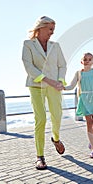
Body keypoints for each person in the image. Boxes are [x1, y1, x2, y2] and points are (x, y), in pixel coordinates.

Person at [22, 16, 67, 170]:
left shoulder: (56, 46)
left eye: (53, 30)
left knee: (57, 116)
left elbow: (62, 65)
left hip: (54, 86)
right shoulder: (28, 45)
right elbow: (29, 67)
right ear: (41, 27)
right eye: (50, 29)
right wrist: (49, 81)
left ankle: (56, 139)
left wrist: (60, 80)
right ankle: (40, 156)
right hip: (36, 86)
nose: (52, 33)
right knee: (40, 119)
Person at [65, 52, 93, 158]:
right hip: (84, 99)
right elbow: (71, 85)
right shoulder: (79, 73)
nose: (87, 61)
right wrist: (62, 87)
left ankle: (91, 140)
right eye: (85, 59)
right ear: (81, 61)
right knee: (89, 123)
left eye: (90, 59)